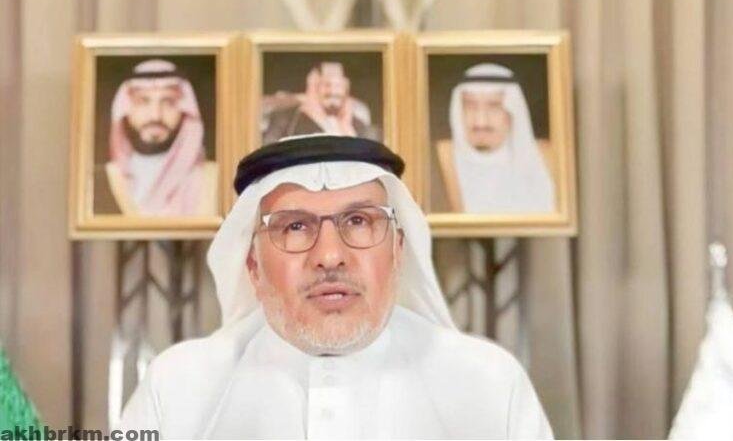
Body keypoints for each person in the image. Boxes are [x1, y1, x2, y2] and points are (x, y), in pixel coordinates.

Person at [119, 134, 553, 439]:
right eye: (294, 227)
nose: (329, 255)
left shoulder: (489, 382)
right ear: (252, 264)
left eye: (359, 221)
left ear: (398, 250)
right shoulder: (177, 385)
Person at [94, 59, 218, 216]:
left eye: (168, 102)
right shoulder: (99, 180)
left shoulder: (214, 179)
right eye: (143, 101)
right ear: (125, 108)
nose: (155, 115)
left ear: (185, 110)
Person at [436, 63, 555, 213]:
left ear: (513, 110)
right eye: (470, 106)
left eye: (494, 106)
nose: (481, 121)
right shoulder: (442, 158)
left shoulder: (547, 156)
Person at [262, 62, 381, 144]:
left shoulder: (358, 124)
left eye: (339, 85)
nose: (334, 92)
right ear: (313, 85)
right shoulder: (286, 121)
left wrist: (346, 128)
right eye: (327, 84)